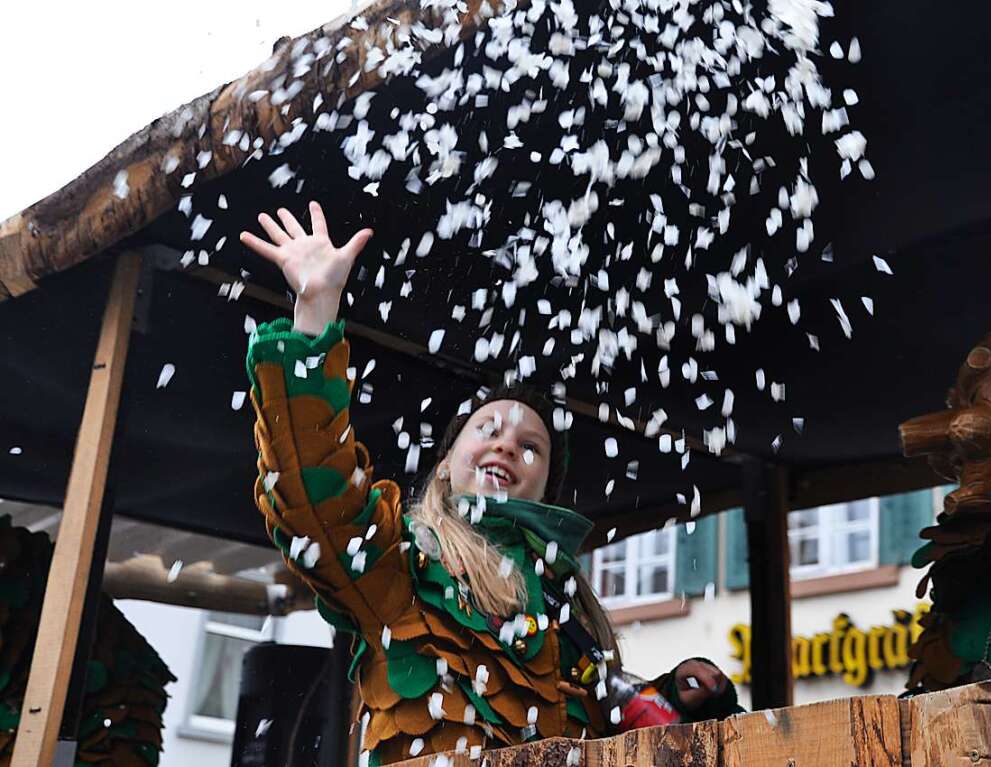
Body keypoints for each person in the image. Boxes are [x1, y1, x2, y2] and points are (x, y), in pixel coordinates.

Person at [240, 201, 742, 765]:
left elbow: (622, 726)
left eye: (531, 447)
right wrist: (316, 313)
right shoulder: (400, 562)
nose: (507, 444)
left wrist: (686, 695)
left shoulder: (570, 613)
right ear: (449, 461)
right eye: (489, 429)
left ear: (545, 488)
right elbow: (317, 495)